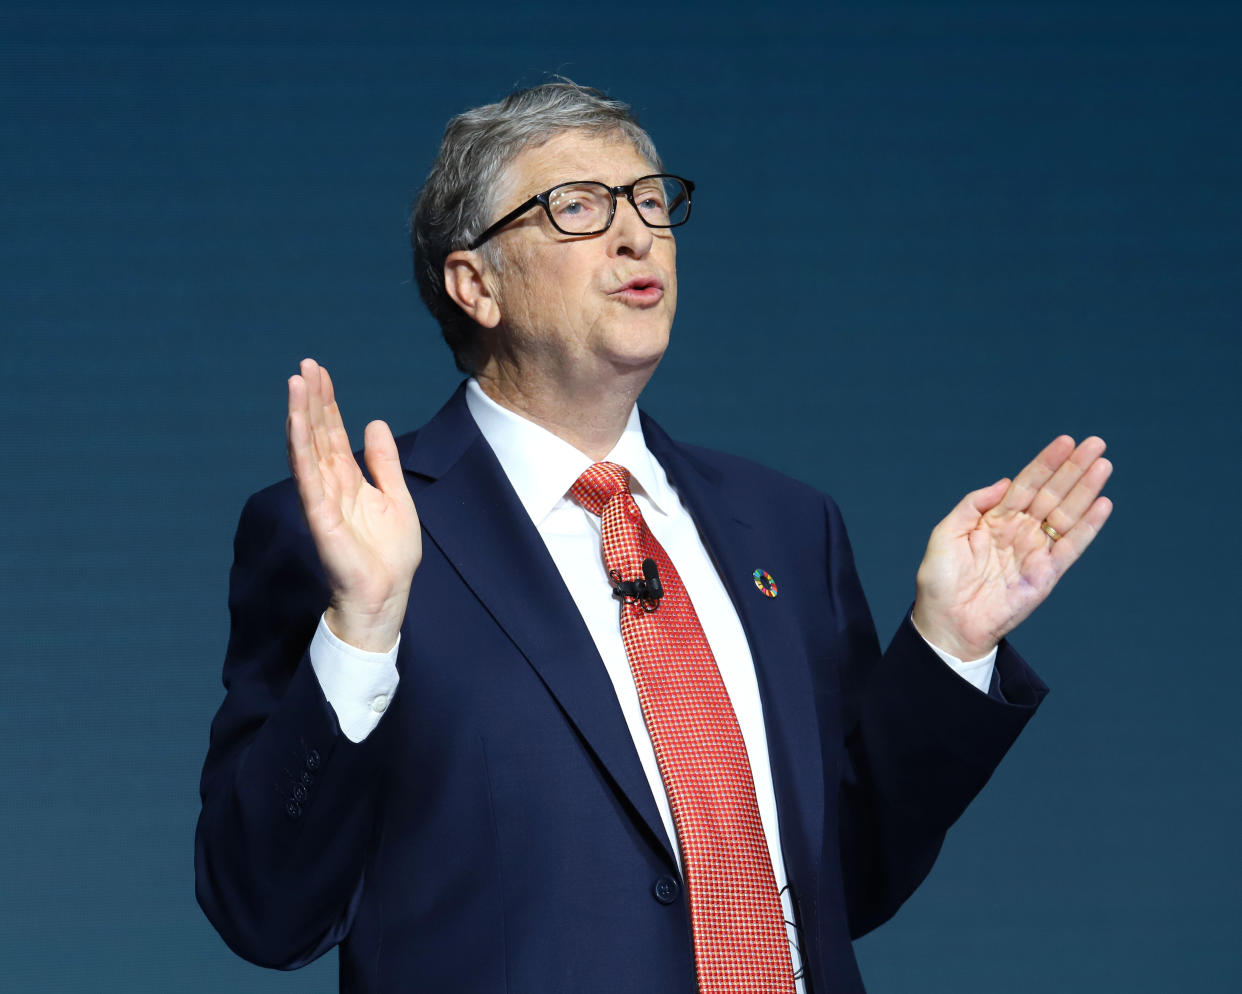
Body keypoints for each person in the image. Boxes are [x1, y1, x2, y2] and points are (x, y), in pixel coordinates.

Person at [195, 81, 1112, 994]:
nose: (637, 234)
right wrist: (360, 628)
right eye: (578, 208)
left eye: (648, 201)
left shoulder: (791, 528)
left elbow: (847, 881)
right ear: (477, 284)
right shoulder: (350, 531)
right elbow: (264, 913)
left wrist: (948, 648)